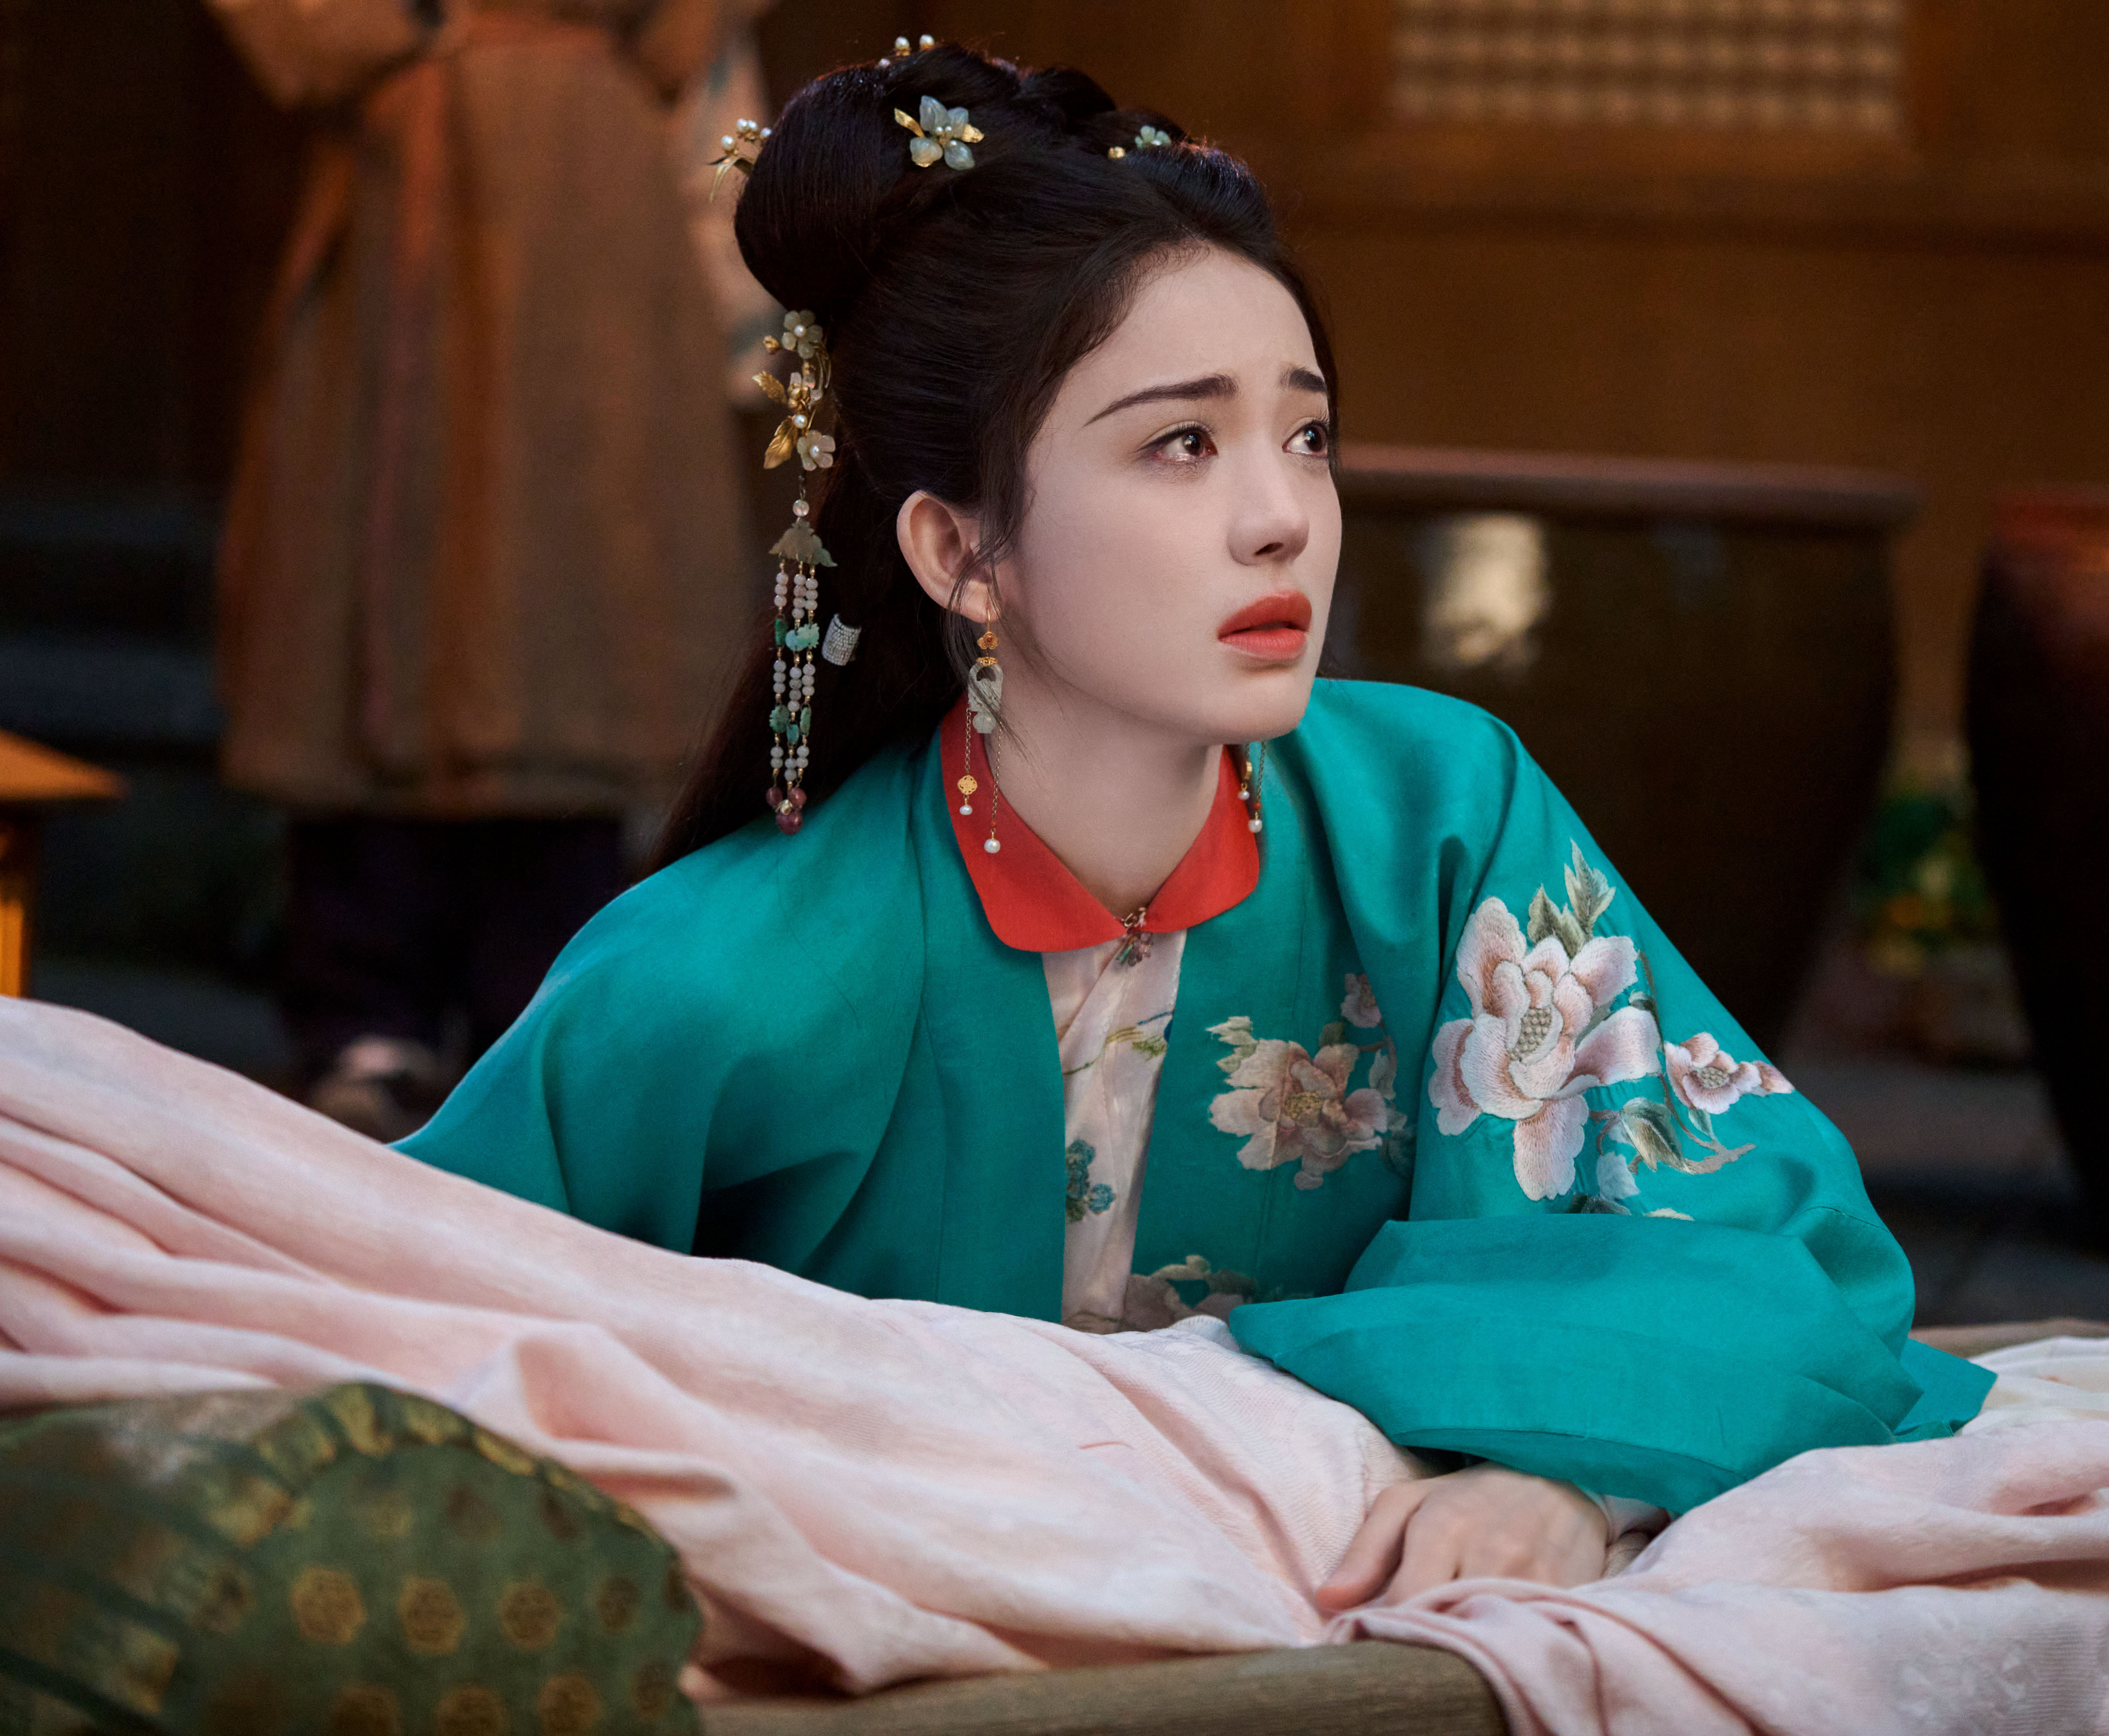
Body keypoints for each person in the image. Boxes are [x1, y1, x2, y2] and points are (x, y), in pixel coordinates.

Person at [399, 38, 1990, 1608]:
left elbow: (1783, 1240)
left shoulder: (1442, 820)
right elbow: (402, 1306)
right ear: (960, 551)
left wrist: (1555, 1471)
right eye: (1182, 443)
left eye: (1308, 434)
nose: (1282, 515)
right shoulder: (726, 971)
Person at [204, 0, 761, 1134]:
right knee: (373, 600)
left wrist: (746, 307)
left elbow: (702, 72)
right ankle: (368, 1012)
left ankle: (545, 1016)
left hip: (600, 239)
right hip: (406, 213)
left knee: (581, 611)